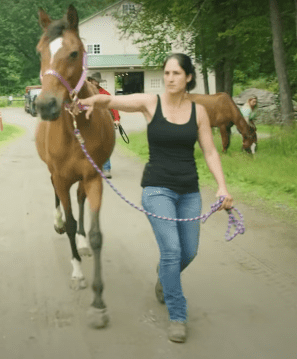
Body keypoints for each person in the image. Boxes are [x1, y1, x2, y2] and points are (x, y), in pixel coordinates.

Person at [80, 53, 233, 343]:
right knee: (173, 252)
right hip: (156, 189)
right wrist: (88, 102)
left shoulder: (199, 112)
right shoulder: (152, 103)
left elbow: (211, 151)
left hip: (188, 190)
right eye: (166, 73)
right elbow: (110, 101)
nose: (170, 78)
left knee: (188, 252)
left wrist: (223, 186)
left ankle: (165, 276)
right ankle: (178, 315)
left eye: (176, 73)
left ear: (188, 77)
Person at [87, 72, 119, 179]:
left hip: (103, 123)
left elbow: (113, 105)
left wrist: (116, 119)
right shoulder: (85, 92)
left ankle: (106, 168)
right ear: (90, 80)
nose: (95, 82)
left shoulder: (104, 93)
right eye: (94, 80)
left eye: (97, 81)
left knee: (104, 144)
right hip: (89, 123)